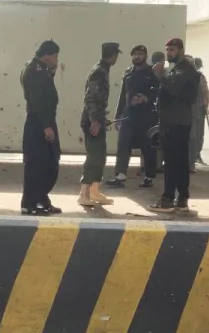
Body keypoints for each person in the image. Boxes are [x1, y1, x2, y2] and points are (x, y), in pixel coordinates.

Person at [148, 37, 200, 213]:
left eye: (172, 50)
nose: (168, 53)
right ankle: (182, 199)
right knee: (179, 161)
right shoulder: (178, 69)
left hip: (176, 121)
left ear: (181, 50)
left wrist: (159, 75)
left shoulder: (184, 69)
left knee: (171, 161)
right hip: (175, 120)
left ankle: (168, 199)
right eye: (167, 50)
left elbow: (174, 89)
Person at [106, 44, 160, 189]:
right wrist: (118, 115)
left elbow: (158, 92)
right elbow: (123, 96)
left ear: (145, 56)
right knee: (123, 144)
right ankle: (120, 176)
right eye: (134, 54)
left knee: (147, 147)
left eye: (140, 54)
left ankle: (148, 177)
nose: (137, 57)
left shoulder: (152, 73)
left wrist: (146, 98)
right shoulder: (128, 73)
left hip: (146, 117)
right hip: (128, 116)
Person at [19, 40, 62, 216]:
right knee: (37, 165)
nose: (57, 59)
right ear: (47, 55)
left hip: (44, 121)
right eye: (55, 56)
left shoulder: (39, 69)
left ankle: (41, 199)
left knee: (49, 163)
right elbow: (37, 101)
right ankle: (30, 203)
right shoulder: (35, 71)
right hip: (39, 124)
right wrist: (46, 126)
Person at [78, 43, 120, 209]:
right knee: (94, 155)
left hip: (97, 117)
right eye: (116, 54)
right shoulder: (99, 72)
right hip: (92, 119)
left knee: (100, 155)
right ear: (113, 55)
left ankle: (95, 190)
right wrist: (95, 119)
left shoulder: (102, 70)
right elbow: (91, 97)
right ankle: (84, 193)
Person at [190, 57, 209, 170]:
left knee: (199, 135)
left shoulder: (200, 77)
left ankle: (197, 156)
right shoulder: (193, 78)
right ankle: (192, 159)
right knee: (193, 136)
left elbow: (205, 93)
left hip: (200, 110)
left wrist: (205, 106)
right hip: (192, 111)